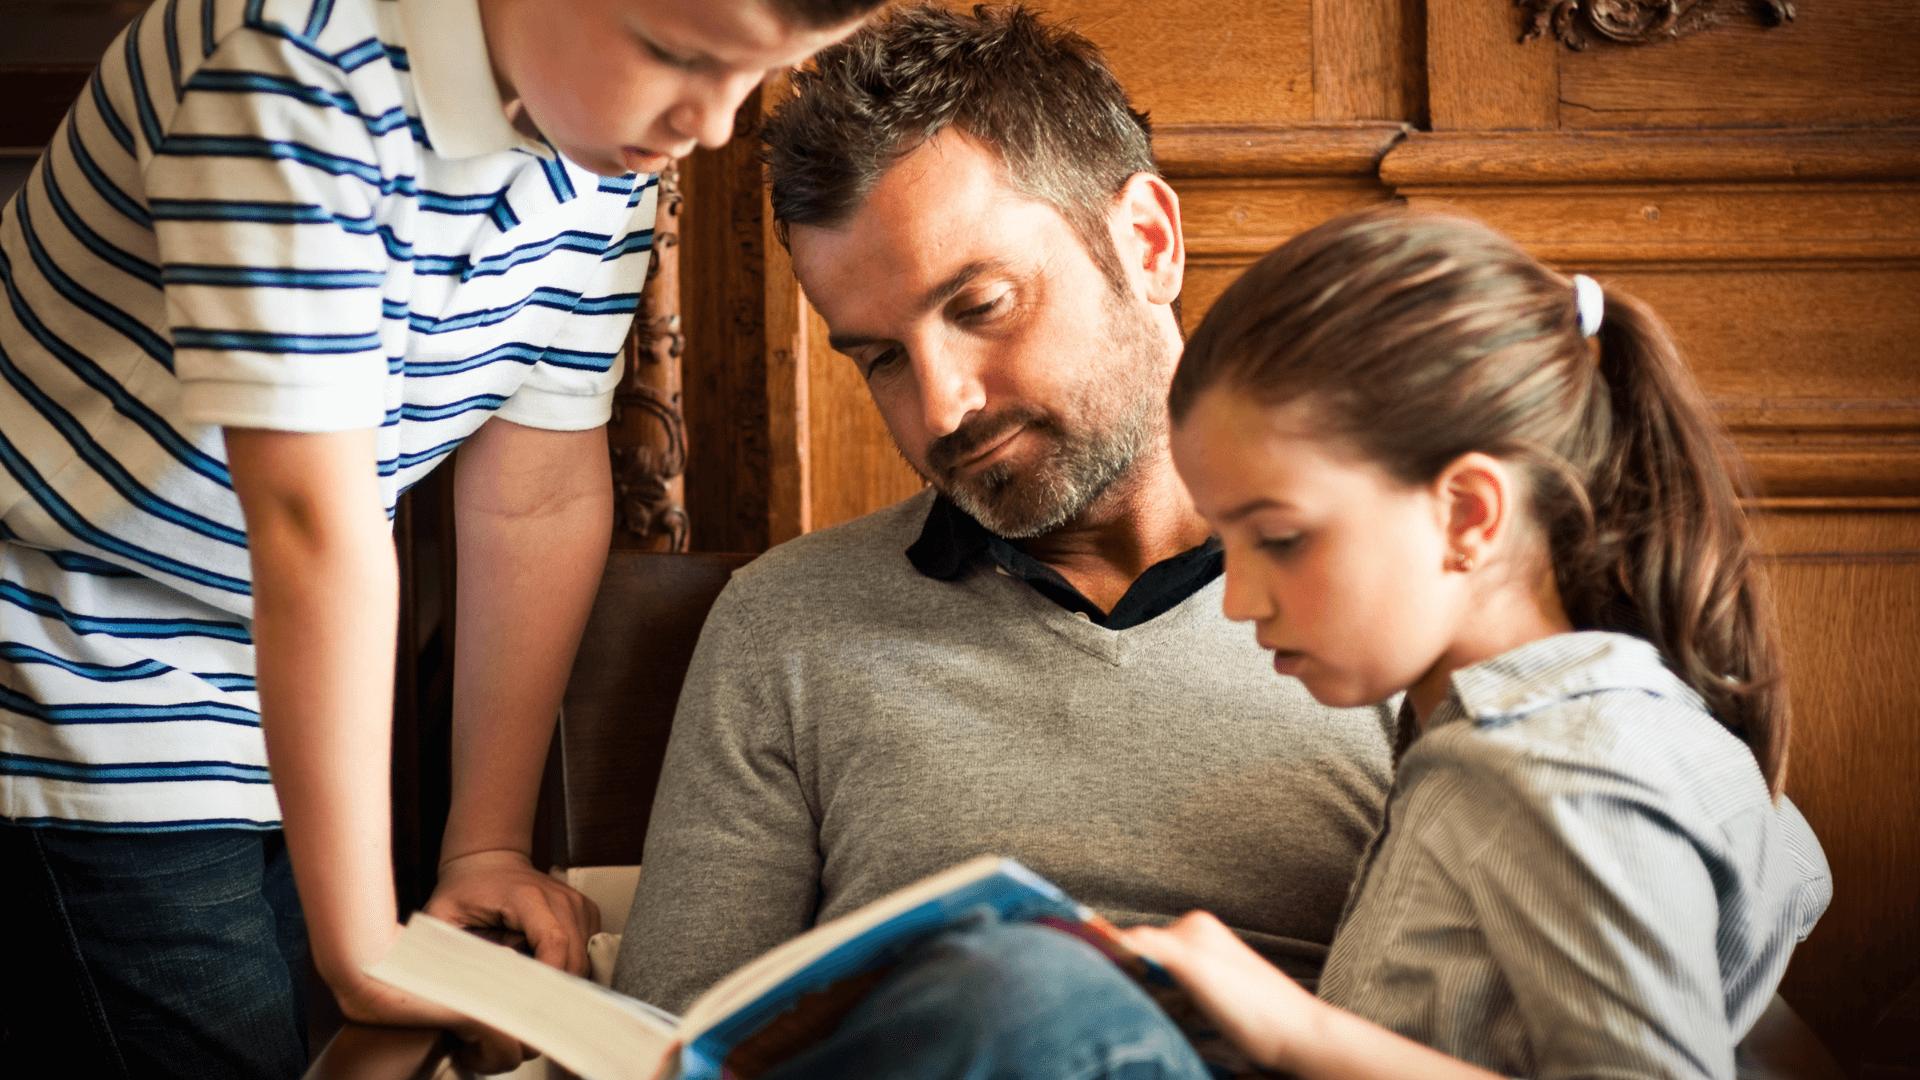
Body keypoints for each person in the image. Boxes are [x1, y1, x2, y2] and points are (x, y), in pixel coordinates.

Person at [742, 205, 1834, 1080]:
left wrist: (1293, 1031)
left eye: (1281, 540)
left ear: (1467, 515)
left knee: (1022, 995)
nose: (1236, 599)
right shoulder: (1616, 723)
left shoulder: (1555, 774)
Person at [0, 0, 878, 1076]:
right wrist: (368, 943)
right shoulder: (291, 61)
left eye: (756, 75)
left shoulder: (602, 122)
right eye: (679, 54)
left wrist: (484, 843)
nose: (709, 122)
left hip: (277, 671)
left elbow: (537, 493)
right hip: (77, 656)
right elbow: (309, 527)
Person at [614, 3, 1395, 1014]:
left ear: (1148, 244)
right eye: (881, 358)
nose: (942, 407)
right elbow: (675, 1038)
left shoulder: (1410, 593)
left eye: (981, 307)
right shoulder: (785, 625)